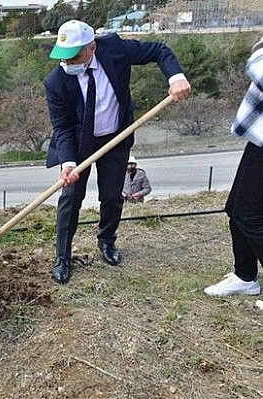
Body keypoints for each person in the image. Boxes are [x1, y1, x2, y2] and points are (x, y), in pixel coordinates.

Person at [44, 20, 191, 284]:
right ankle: (63, 257)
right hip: (79, 144)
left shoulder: (114, 49)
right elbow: (62, 127)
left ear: (92, 47)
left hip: (116, 137)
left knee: (112, 197)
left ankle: (107, 241)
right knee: (70, 200)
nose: (67, 63)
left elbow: (158, 50)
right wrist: (67, 163)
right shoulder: (56, 81)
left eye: (74, 56)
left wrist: (176, 77)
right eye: (63, 57)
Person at [204, 35, 263, 297]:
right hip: (259, 138)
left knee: (249, 214)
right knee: (236, 208)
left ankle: (246, 276)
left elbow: (259, 68)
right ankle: (245, 276)